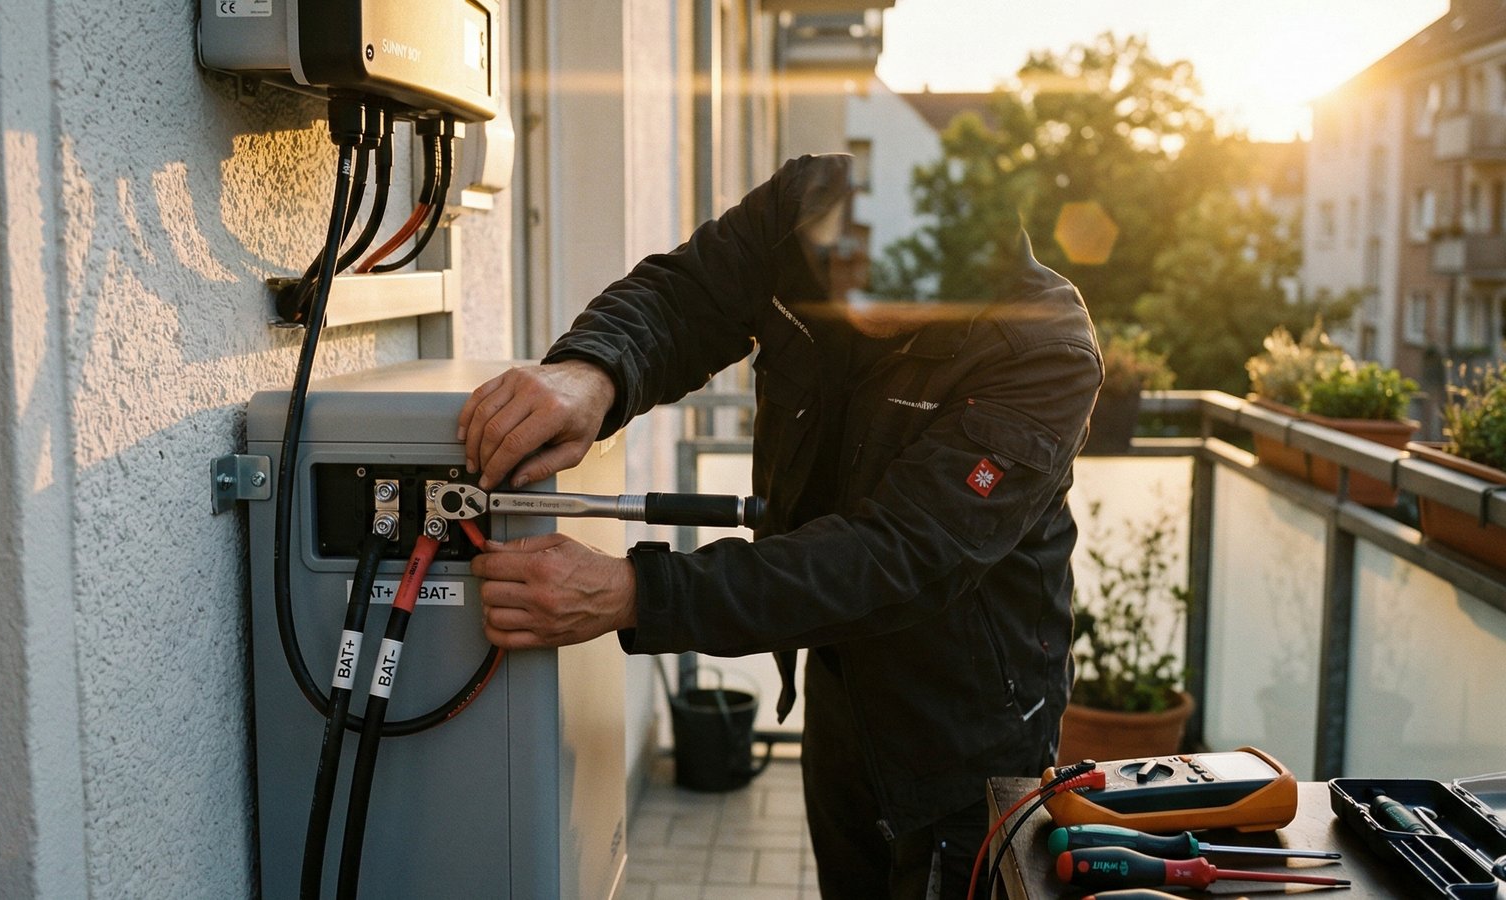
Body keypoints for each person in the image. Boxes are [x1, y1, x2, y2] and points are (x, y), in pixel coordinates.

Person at [462, 153, 1101, 899]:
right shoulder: (804, 205)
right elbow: (688, 296)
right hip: (839, 672)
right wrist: (593, 370)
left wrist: (637, 592)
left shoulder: (1044, 350)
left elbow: (896, 555)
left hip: (964, 726)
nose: (856, 296)